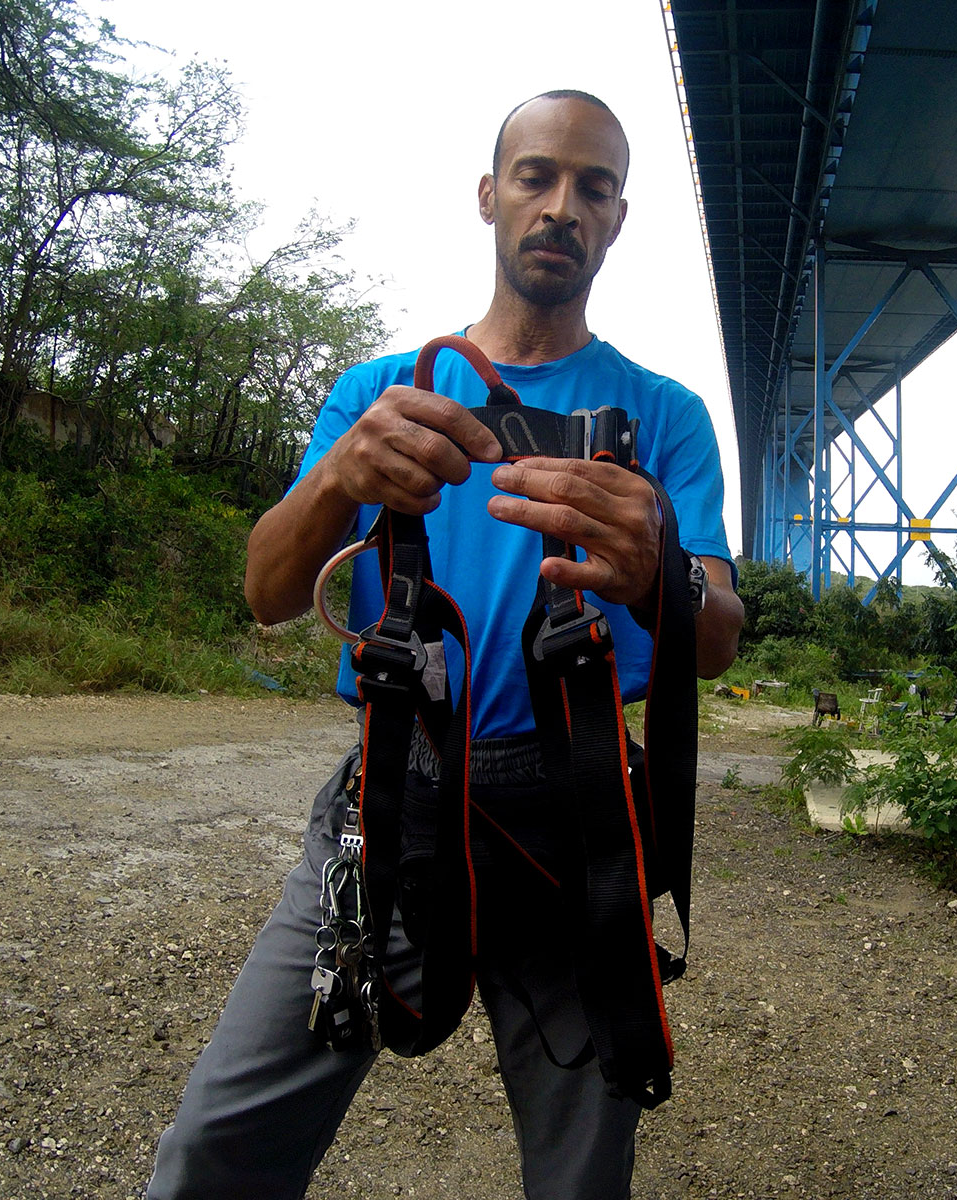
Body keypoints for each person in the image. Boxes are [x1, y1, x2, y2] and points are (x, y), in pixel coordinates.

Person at [146, 90, 743, 1200]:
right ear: (490, 196)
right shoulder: (382, 394)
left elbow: (714, 641)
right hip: (392, 796)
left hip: (577, 824)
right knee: (216, 1152)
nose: (562, 206)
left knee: (582, 1174)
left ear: (618, 220)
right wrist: (335, 478)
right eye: (537, 176)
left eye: (594, 187)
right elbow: (271, 591)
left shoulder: (664, 417)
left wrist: (659, 557)